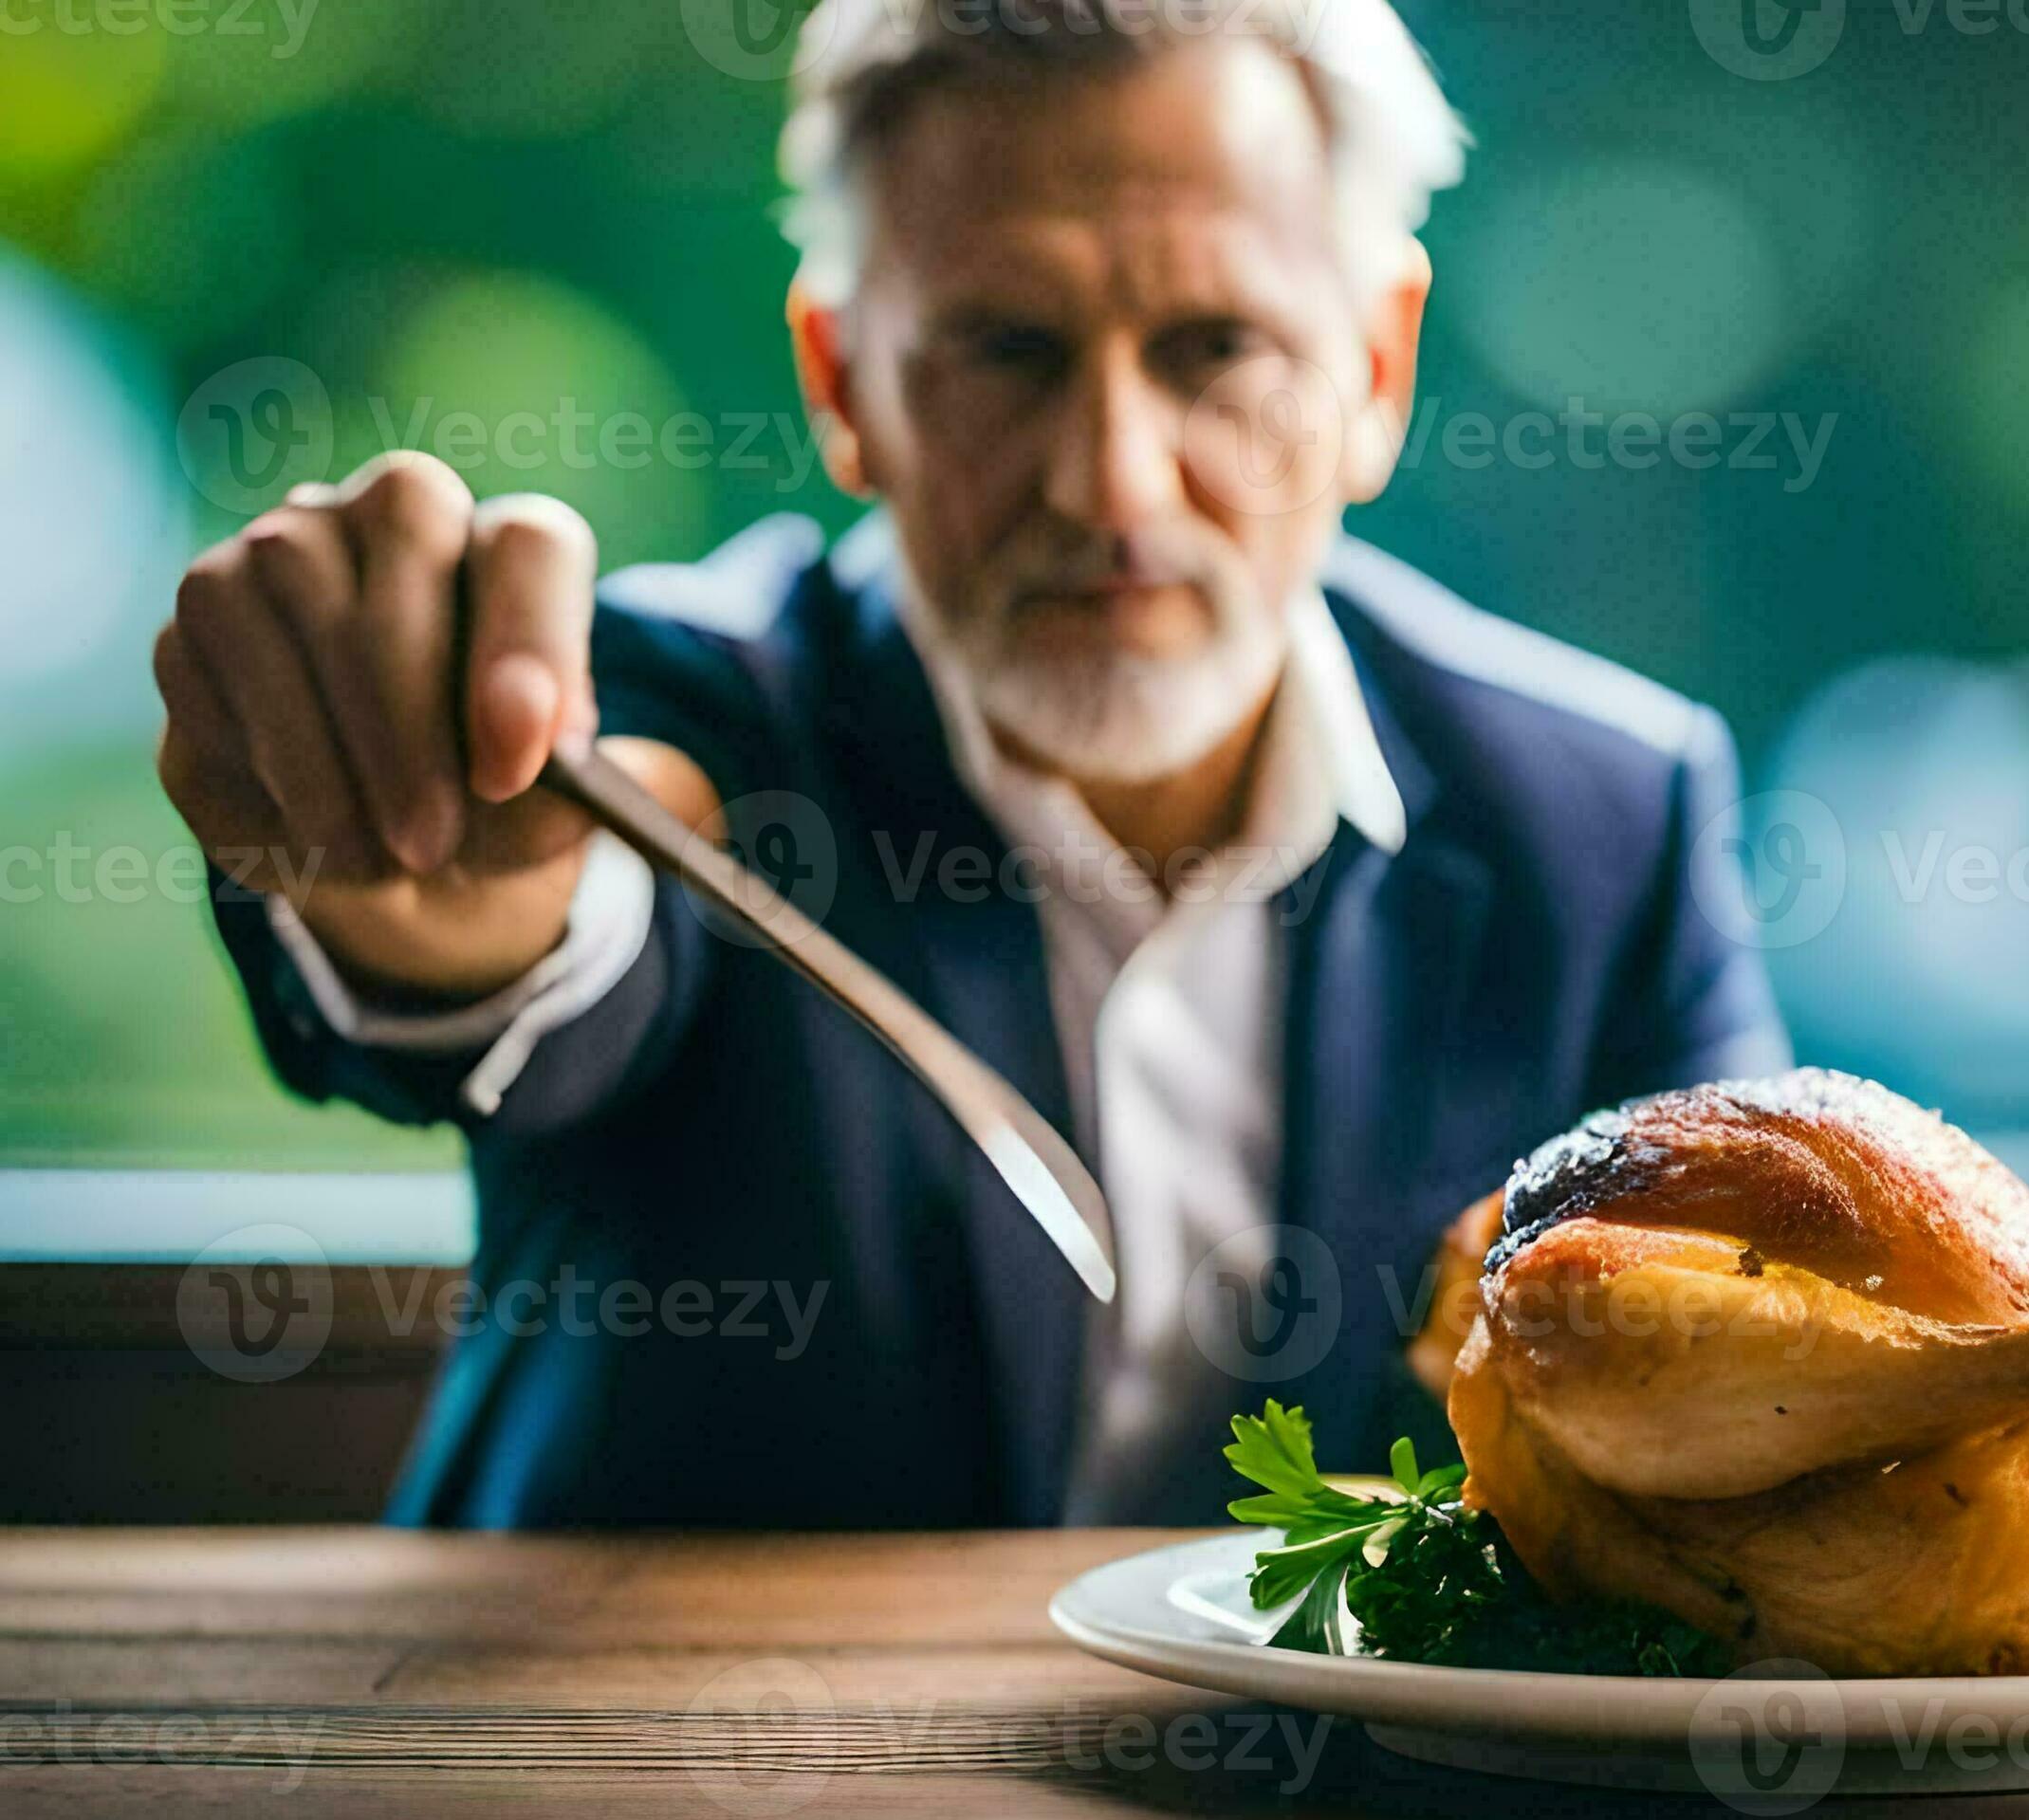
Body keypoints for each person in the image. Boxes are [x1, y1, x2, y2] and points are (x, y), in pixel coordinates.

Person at [152, 0, 1788, 1527]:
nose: (1113, 484)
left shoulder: (1604, 821)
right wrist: (439, 878)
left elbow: (1765, 1334)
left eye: (1215, 349)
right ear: (841, 380)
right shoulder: (670, 706)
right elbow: (568, 911)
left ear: (1374, 369)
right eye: (1007, 350)